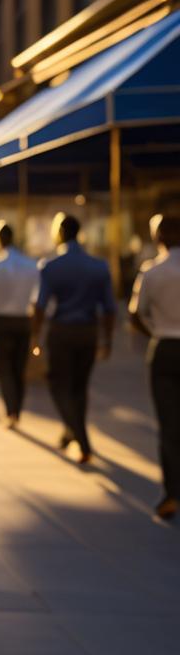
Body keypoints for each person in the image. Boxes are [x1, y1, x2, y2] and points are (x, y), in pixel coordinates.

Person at [31, 213, 115, 464]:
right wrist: (107, 340)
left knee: (58, 384)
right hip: (88, 332)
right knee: (79, 386)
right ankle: (72, 430)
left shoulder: (50, 266)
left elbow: (40, 305)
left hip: (62, 332)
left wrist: (36, 336)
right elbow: (109, 308)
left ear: (59, 234)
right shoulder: (99, 266)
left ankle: (81, 438)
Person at [128, 214, 180, 520]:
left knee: (169, 424)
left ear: (159, 238)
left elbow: (135, 314)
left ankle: (171, 494)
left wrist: (156, 332)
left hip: (165, 348)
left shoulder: (152, 271)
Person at [0, 221, 40, 427]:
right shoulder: (32, 266)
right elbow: (38, 298)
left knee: (4, 369)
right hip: (23, 322)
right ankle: (16, 409)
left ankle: (11, 410)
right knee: (19, 368)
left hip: (1, 323)